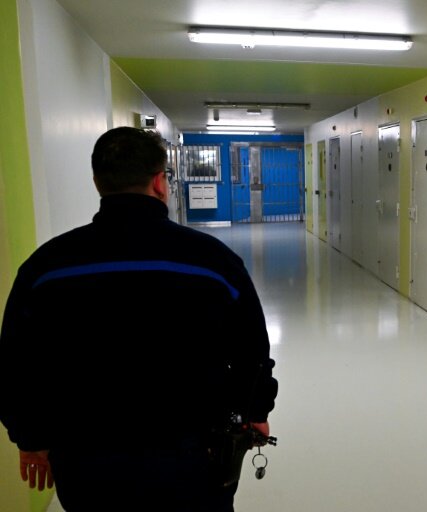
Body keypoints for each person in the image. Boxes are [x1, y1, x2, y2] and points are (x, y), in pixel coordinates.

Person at [0, 127, 277, 511]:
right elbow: (251, 350)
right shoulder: (213, 261)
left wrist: (31, 438)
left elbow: (16, 363)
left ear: (97, 182)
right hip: (194, 457)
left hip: (86, 459)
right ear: (160, 182)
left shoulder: (45, 268)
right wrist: (256, 412)